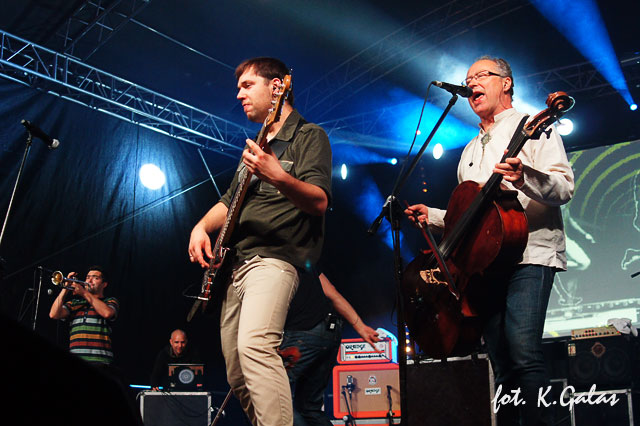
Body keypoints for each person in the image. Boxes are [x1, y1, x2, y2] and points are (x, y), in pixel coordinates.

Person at [404, 56, 574, 426]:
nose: (472, 84)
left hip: (529, 254)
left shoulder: (532, 126)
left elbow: (563, 188)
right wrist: (433, 216)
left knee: (523, 351)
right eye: (468, 80)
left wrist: (525, 176)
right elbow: (471, 217)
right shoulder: (468, 151)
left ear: (506, 83)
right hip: (485, 266)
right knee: (500, 361)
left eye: (481, 75)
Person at [188, 57, 332, 426]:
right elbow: (229, 200)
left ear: (278, 86)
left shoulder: (308, 136)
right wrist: (201, 227)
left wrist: (279, 176)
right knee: (238, 373)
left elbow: (319, 201)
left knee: (255, 347)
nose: (239, 95)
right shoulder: (258, 145)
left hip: (274, 260)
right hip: (235, 267)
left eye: (248, 85)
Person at [281, 271, 380, 426]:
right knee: (309, 408)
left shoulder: (275, 262)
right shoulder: (306, 263)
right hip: (330, 331)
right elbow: (332, 293)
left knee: (270, 395)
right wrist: (359, 326)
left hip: (303, 332)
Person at [49, 265, 119, 365]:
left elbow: (107, 313)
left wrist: (83, 293)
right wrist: (66, 288)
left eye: (95, 278)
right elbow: (54, 314)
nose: (89, 280)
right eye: (87, 277)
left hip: (101, 362)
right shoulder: (74, 303)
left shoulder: (110, 301)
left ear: (104, 284)